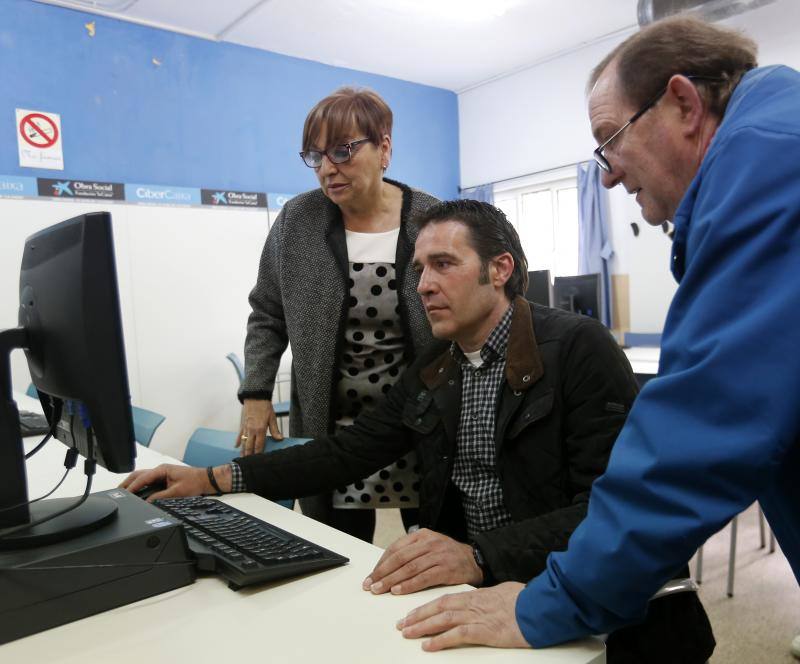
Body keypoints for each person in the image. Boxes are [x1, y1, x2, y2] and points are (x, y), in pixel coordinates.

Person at [124, 200, 714, 663]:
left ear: (500, 269)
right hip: (488, 591)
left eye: (444, 264)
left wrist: (479, 554)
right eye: (419, 270)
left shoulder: (579, 350)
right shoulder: (439, 364)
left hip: (584, 597)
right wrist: (215, 476)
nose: (424, 284)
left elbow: (609, 510)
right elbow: (348, 452)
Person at [396, 16, 800, 653]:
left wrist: (555, 601)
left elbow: (696, 439)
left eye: (609, 140)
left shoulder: (769, 164)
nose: (607, 175)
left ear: (684, 105)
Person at [237, 87, 438, 543]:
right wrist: (256, 392)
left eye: (344, 151)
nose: (329, 169)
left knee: (436, 549)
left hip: (420, 424)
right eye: (317, 155)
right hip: (334, 431)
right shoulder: (298, 221)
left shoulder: (432, 217)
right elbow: (267, 312)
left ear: (384, 147)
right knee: (337, 552)